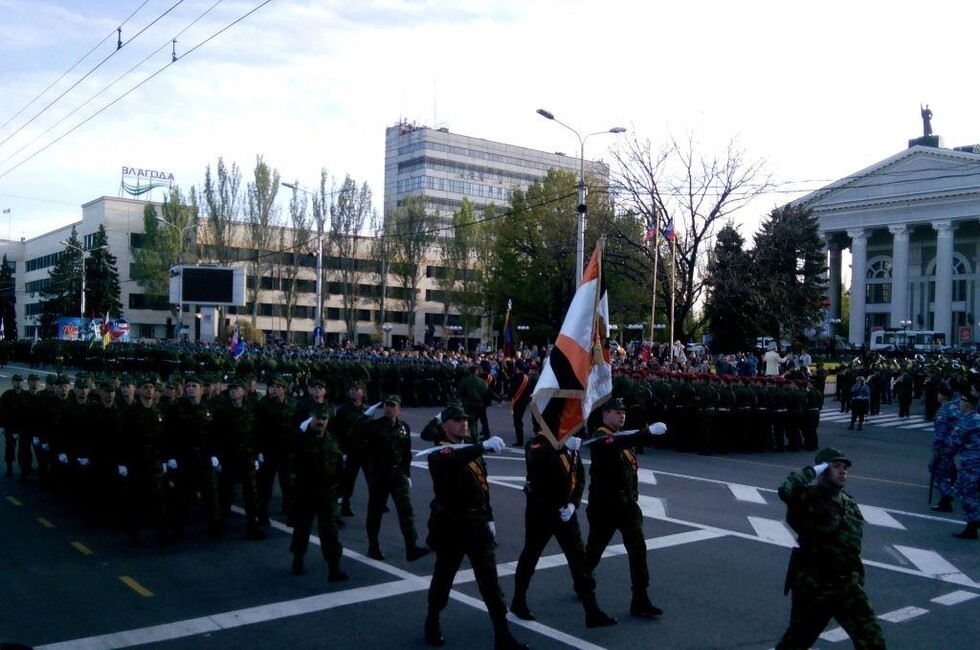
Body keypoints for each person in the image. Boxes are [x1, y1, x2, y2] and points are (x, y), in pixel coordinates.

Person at [422, 413, 528, 650]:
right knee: (443, 578)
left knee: (490, 582)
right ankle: (432, 620)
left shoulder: (469, 449)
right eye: (457, 419)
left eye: (466, 419)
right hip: (451, 527)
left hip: (477, 525)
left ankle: (503, 635)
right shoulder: (439, 452)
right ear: (444, 425)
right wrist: (482, 446)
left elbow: (482, 488)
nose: (464, 423)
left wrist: (489, 517)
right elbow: (452, 458)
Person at [776, 447, 886, 649]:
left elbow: (852, 547)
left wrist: (857, 577)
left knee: (872, 640)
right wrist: (814, 470)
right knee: (797, 641)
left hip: (847, 586)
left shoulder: (849, 503)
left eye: (845, 468)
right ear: (823, 470)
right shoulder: (809, 498)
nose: (843, 471)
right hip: (815, 588)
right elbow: (787, 489)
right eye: (836, 466)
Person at [510, 427, 617, 628]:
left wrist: (573, 503)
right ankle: (518, 600)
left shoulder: (569, 443)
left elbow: (579, 475)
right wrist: (561, 447)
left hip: (565, 513)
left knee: (580, 561)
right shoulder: (537, 443)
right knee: (531, 555)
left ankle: (592, 611)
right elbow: (537, 464)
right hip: (541, 512)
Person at [585, 397, 667, 619]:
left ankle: (640, 598)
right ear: (605, 415)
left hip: (627, 506)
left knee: (638, 550)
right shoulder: (600, 436)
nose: (622, 415)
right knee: (594, 550)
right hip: (605, 506)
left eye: (623, 412)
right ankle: (582, 583)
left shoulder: (623, 437)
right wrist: (646, 433)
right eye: (616, 412)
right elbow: (614, 443)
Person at [362, 394, 429, 561]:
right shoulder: (373, 426)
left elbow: (407, 453)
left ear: (399, 409)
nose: (388, 408)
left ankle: (411, 547)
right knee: (375, 512)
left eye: (392, 405)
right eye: (386, 405)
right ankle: (373, 546)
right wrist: (371, 472)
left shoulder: (403, 427)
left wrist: (407, 473)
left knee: (406, 511)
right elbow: (363, 447)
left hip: (398, 475)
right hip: (380, 476)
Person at [286, 402, 348, 581]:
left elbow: (339, 468)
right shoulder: (300, 440)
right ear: (311, 418)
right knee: (301, 529)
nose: (320, 421)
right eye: (317, 418)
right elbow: (291, 468)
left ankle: (334, 569)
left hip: (327, 494)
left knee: (330, 532)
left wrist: (340, 491)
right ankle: (298, 559)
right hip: (305, 493)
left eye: (324, 418)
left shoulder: (333, 441)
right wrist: (292, 494)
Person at [950, 381, 980, 539]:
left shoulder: (967, 421)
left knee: (966, 492)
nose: (960, 405)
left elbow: (955, 442)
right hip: (975, 462)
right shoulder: (978, 418)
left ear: (967, 404)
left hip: (970, 463)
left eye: (961, 402)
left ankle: (972, 523)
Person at [930, 380, 960, 513]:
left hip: (944, 446)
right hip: (953, 444)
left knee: (938, 469)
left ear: (942, 396)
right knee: (944, 468)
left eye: (939, 394)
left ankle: (946, 497)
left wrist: (937, 448)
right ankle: (947, 494)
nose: (938, 396)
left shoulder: (944, 410)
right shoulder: (954, 408)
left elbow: (940, 433)